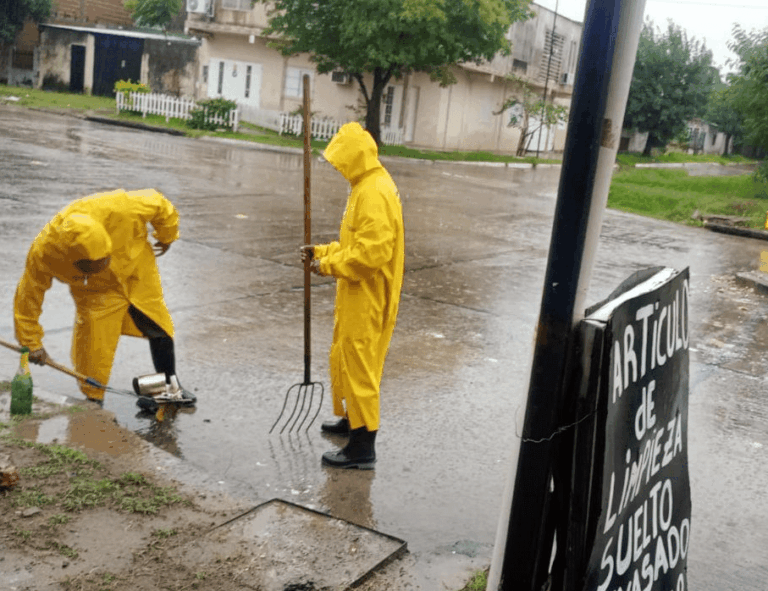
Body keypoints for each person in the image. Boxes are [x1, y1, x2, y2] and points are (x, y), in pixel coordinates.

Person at [13, 188, 194, 409]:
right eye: (92, 267)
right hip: (96, 293)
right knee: (94, 347)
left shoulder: (119, 207)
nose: (102, 268)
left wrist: (167, 236)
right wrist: (31, 343)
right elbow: (28, 298)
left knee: (159, 327)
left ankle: (170, 388)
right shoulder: (44, 252)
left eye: (103, 262)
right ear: (73, 258)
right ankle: (94, 400)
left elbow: (160, 204)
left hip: (135, 273)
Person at [302, 122, 404, 470]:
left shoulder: (374, 191)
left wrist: (327, 265)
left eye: (341, 161)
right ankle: (352, 421)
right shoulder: (365, 186)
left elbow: (371, 254)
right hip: (357, 291)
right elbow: (354, 245)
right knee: (347, 357)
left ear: (354, 157)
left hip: (368, 294)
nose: (339, 168)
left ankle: (363, 446)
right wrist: (321, 252)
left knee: (360, 367)